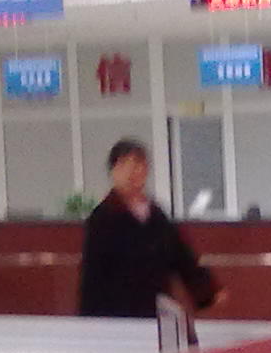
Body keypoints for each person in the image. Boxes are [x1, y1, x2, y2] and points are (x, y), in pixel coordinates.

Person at [78, 138, 222, 322]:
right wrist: (90, 321)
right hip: (116, 314)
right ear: (113, 171)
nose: (132, 171)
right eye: (125, 164)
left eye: (138, 164)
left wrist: (207, 291)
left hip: (154, 311)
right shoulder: (102, 218)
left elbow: (181, 256)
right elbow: (92, 275)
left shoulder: (156, 215)